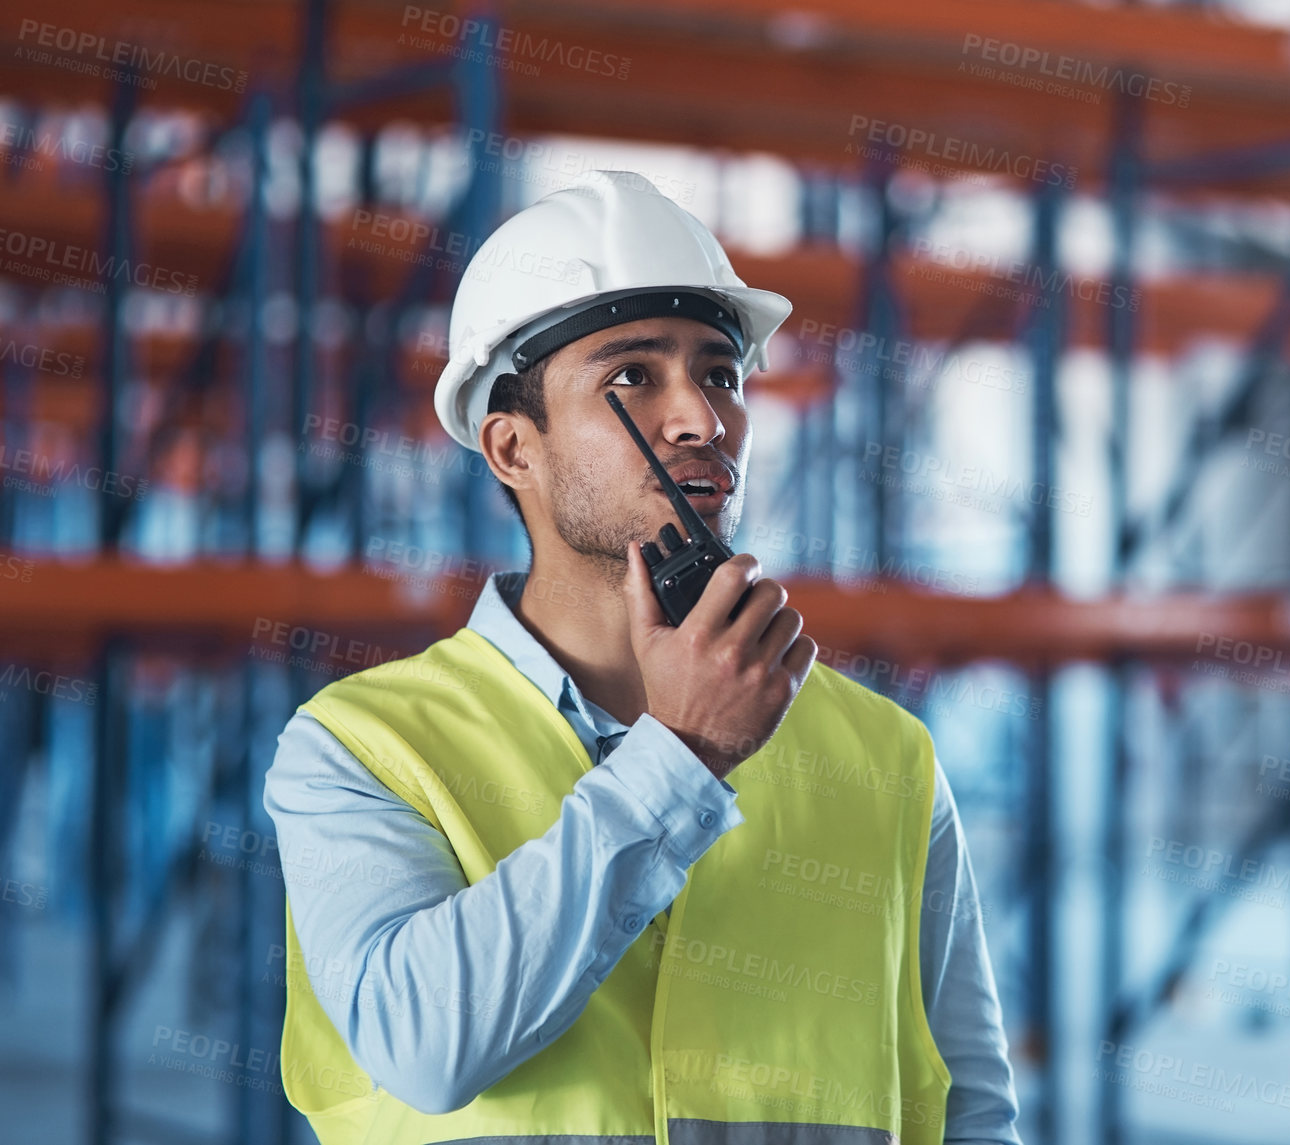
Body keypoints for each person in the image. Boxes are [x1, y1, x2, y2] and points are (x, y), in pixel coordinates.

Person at [263, 170, 1021, 1145]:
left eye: (719, 373)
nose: (701, 420)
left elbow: (969, 1113)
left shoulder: (887, 757)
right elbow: (423, 1043)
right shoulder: (360, 747)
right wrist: (681, 752)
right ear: (510, 446)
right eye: (631, 375)